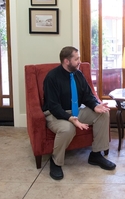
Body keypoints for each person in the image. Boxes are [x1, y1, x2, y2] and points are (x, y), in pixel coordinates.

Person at [42, 46, 116, 180]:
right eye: (76, 59)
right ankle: (56, 161)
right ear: (66, 61)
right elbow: (53, 106)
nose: (79, 61)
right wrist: (70, 118)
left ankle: (96, 155)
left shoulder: (78, 74)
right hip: (57, 114)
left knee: (103, 114)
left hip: (76, 111)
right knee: (67, 129)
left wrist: (95, 106)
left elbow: (87, 95)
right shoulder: (52, 77)